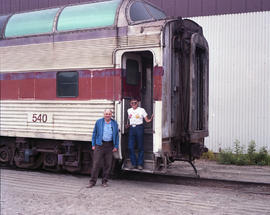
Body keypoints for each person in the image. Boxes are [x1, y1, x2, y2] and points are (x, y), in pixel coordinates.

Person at [87, 109, 119, 188]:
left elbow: (117, 136)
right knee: (96, 164)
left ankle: (104, 181)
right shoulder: (99, 122)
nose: (107, 115)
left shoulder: (114, 123)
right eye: (106, 114)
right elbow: (94, 133)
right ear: (104, 114)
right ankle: (92, 182)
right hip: (99, 145)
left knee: (107, 165)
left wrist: (116, 146)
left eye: (109, 114)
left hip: (109, 145)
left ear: (111, 115)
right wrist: (93, 144)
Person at [127, 98, 153, 170]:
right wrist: (128, 125)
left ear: (137, 103)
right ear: (130, 104)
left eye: (135, 103)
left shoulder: (142, 110)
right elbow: (129, 120)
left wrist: (151, 119)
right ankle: (133, 163)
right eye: (132, 103)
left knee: (140, 146)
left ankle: (140, 164)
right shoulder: (129, 110)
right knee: (130, 147)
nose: (133, 104)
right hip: (132, 128)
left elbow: (147, 120)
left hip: (139, 128)